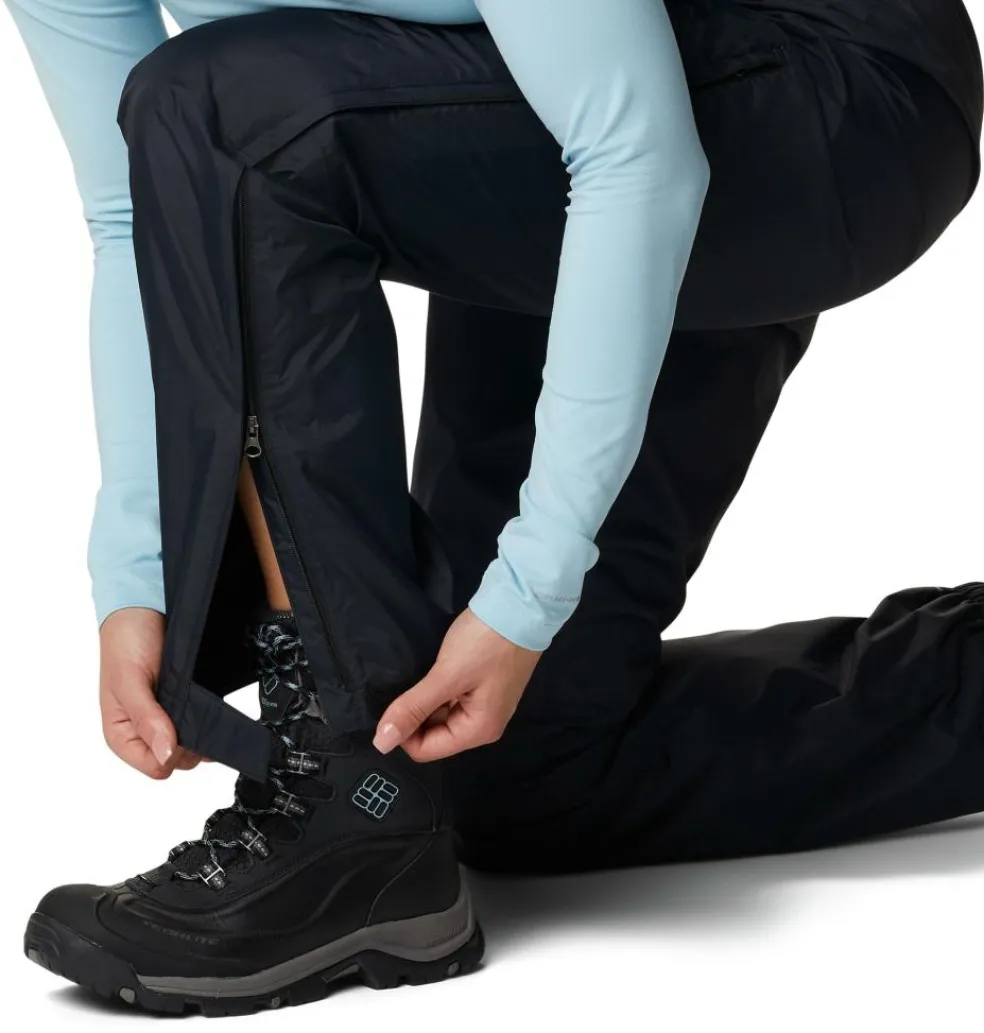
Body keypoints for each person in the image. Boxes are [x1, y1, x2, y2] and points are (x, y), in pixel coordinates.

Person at [10, 0, 983, 1016]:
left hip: (816, 86)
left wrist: (529, 589)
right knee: (513, 765)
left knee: (225, 109)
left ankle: (348, 799)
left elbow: (637, 153)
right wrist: (136, 576)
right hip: (547, 95)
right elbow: (134, 214)